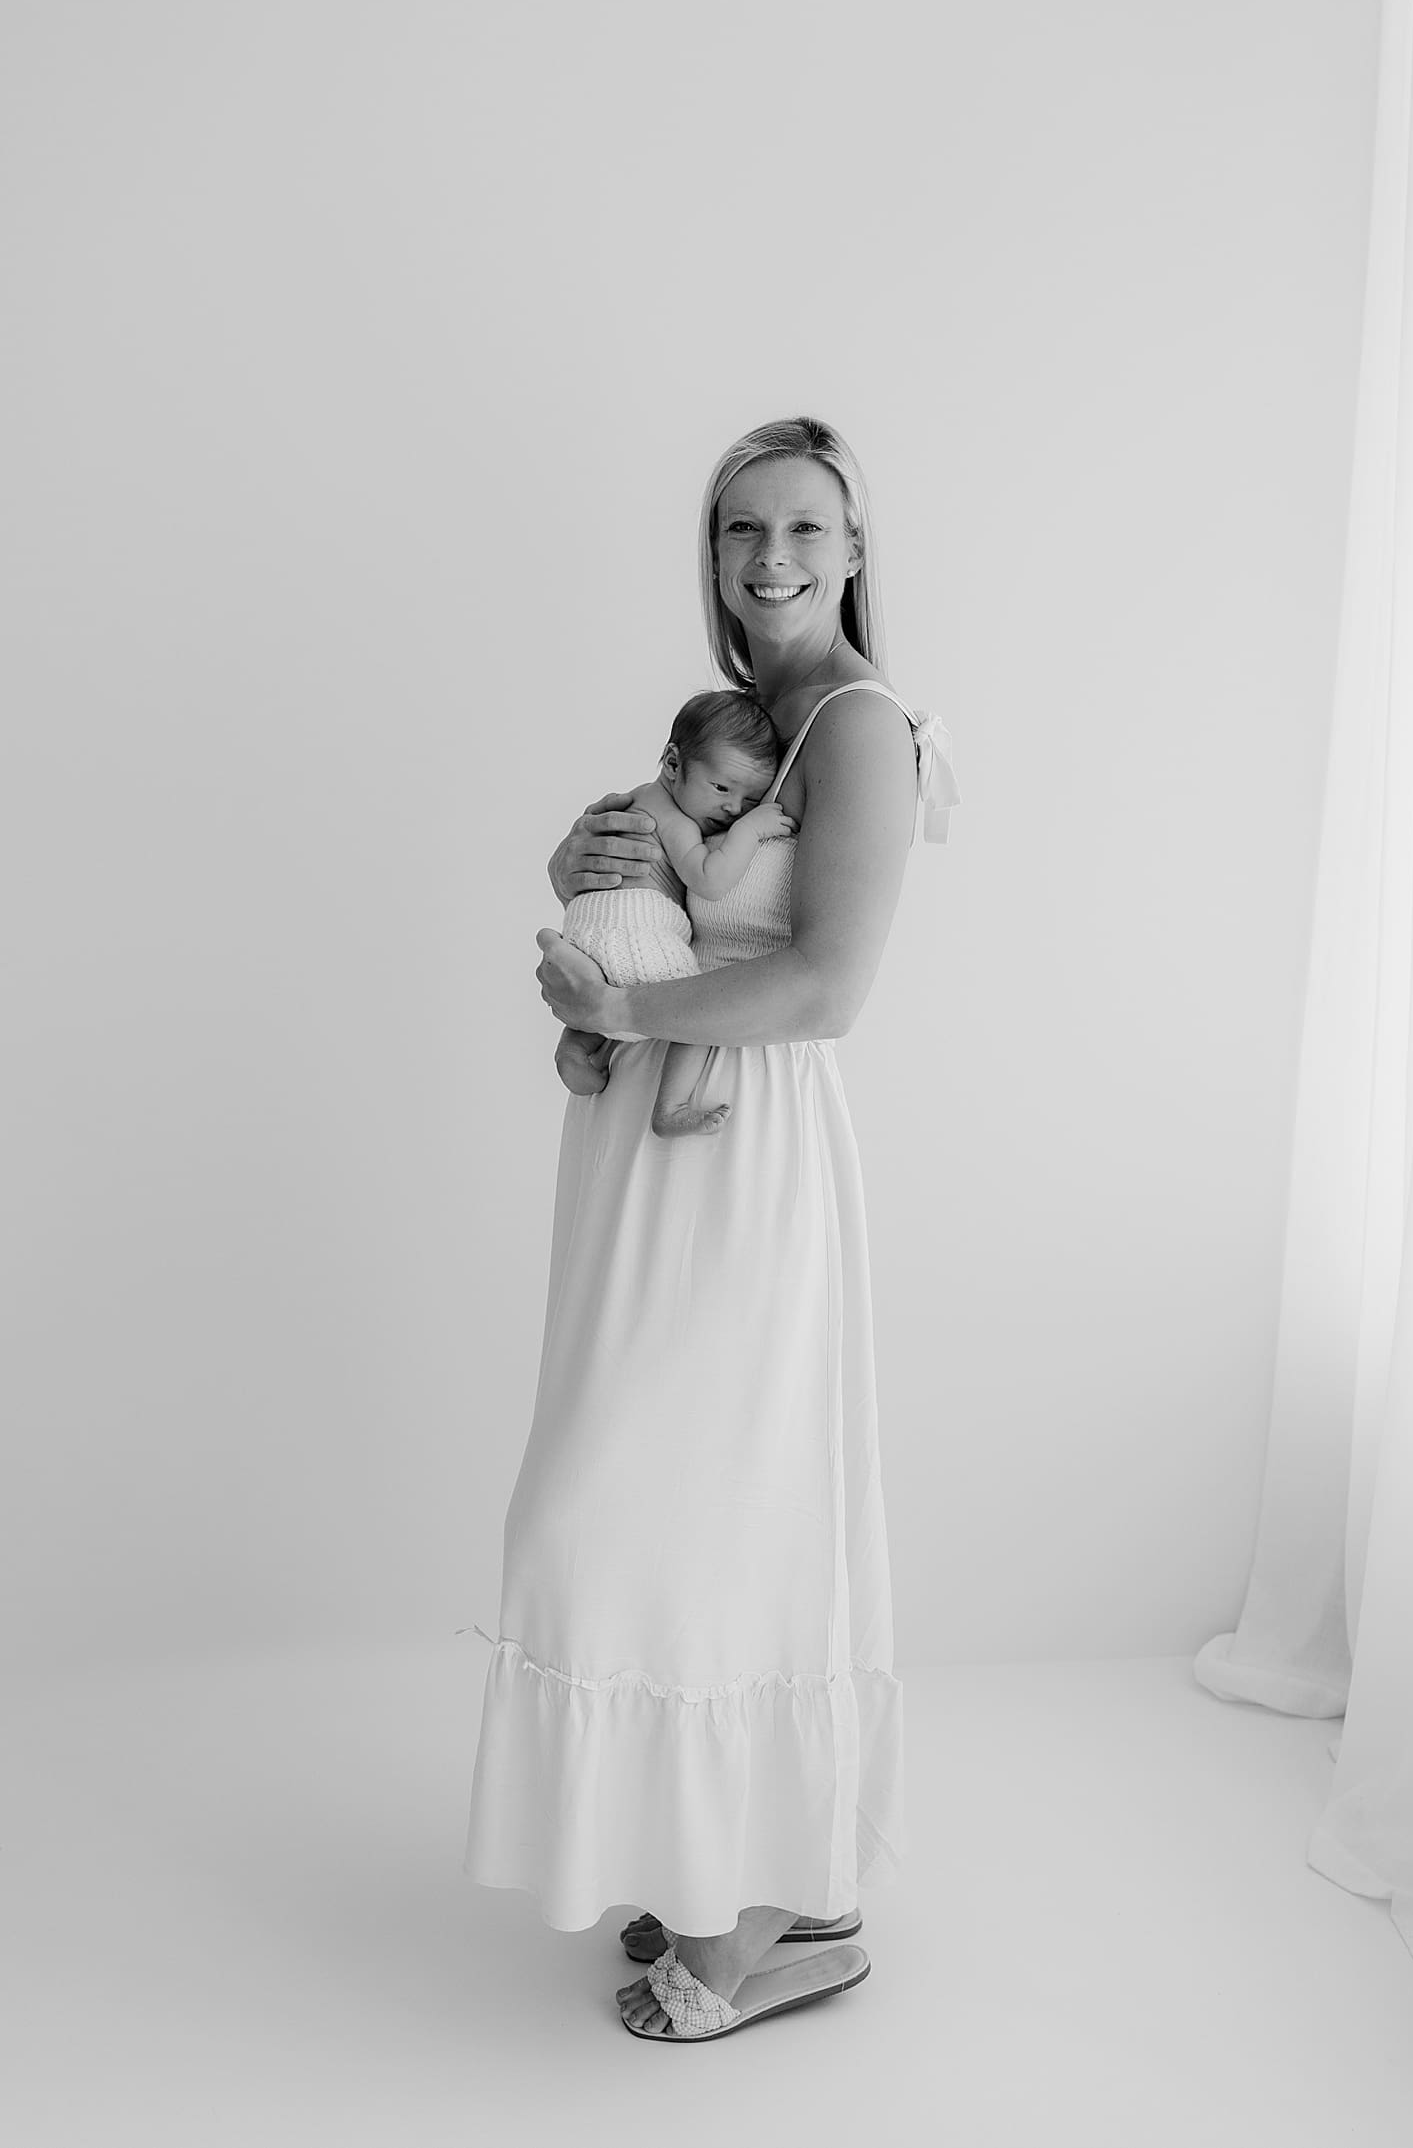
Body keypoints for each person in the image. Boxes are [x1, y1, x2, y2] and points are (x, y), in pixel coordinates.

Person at [462, 414, 959, 2041]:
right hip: (654, 1153)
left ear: (858, 543)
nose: (771, 559)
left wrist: (625, 996)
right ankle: (766, 1874)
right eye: (743, 528)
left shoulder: (861, 727)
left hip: (748, 1167)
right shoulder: (746, 724)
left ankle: (772, 1920)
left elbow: (826, 986)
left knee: (691, 1502)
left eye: (805, 526)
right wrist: (591, 919)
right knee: (662, 1505)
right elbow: (677, 921)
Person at [556, 689, 796, 1136]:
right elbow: (708, 878)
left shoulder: (640, 797)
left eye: (748, 800)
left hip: (589, 931)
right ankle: (671, 1106)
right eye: (722, 788)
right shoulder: (677, 821)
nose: (731, 808)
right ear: (672, 763)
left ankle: (576, 1047)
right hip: (638, 932)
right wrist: (750, 829)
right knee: (703, 1004)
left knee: (602, 989)